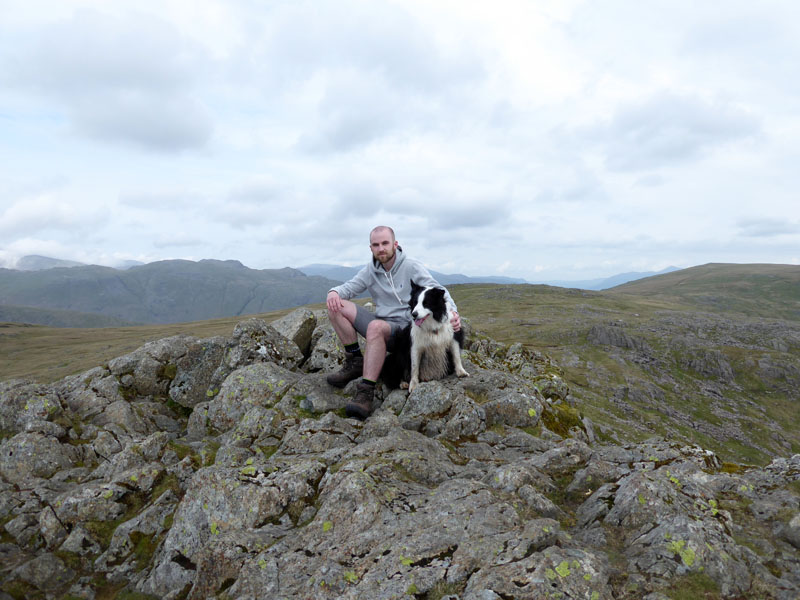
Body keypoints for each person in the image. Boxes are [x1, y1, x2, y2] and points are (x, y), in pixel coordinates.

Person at [326, 226, 461, 419]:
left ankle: (365, 392)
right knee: (335, 306)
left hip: (408, 331)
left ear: (395, 245)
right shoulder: (370, 271)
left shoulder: (411, 266)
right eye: (376, 245)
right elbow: (348, 288)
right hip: (384, 327)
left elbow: (438, 289)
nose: (381, 248)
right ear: (371, 248)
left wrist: (453, 312)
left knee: (375, 327)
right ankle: (355, 361)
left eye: (385, 243)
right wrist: (333, 292)